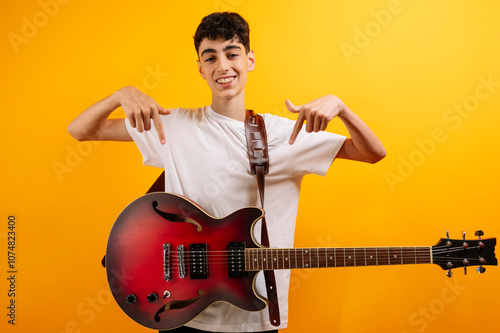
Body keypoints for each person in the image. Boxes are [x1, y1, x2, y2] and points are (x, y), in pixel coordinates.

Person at [68, 12, 386, 333]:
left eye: (232, 54)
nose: (222, 66)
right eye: (211, 57)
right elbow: (82, 130)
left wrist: (341, 107)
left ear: (249, 60)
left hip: (254, 317)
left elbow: (372, 153)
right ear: (201, 68)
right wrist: (120, 95)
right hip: (183, 311)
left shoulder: (283, 135)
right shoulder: (175, 125)